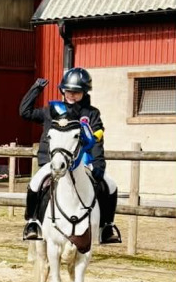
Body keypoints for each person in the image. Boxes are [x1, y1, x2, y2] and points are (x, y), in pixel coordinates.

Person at [19, 68, 121, 244]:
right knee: (35, 183)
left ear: (85, 92)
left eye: (77, 92)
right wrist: (35, 88)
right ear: (62, 90)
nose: (72, 95)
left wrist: (98, 164)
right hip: (54, 161)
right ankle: (33, 222)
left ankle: (107, 226)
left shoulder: (91, 114)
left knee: (110, 185)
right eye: (68, 91)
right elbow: (25, 112)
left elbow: (97, 140)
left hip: (83, 161)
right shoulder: (52, 110)